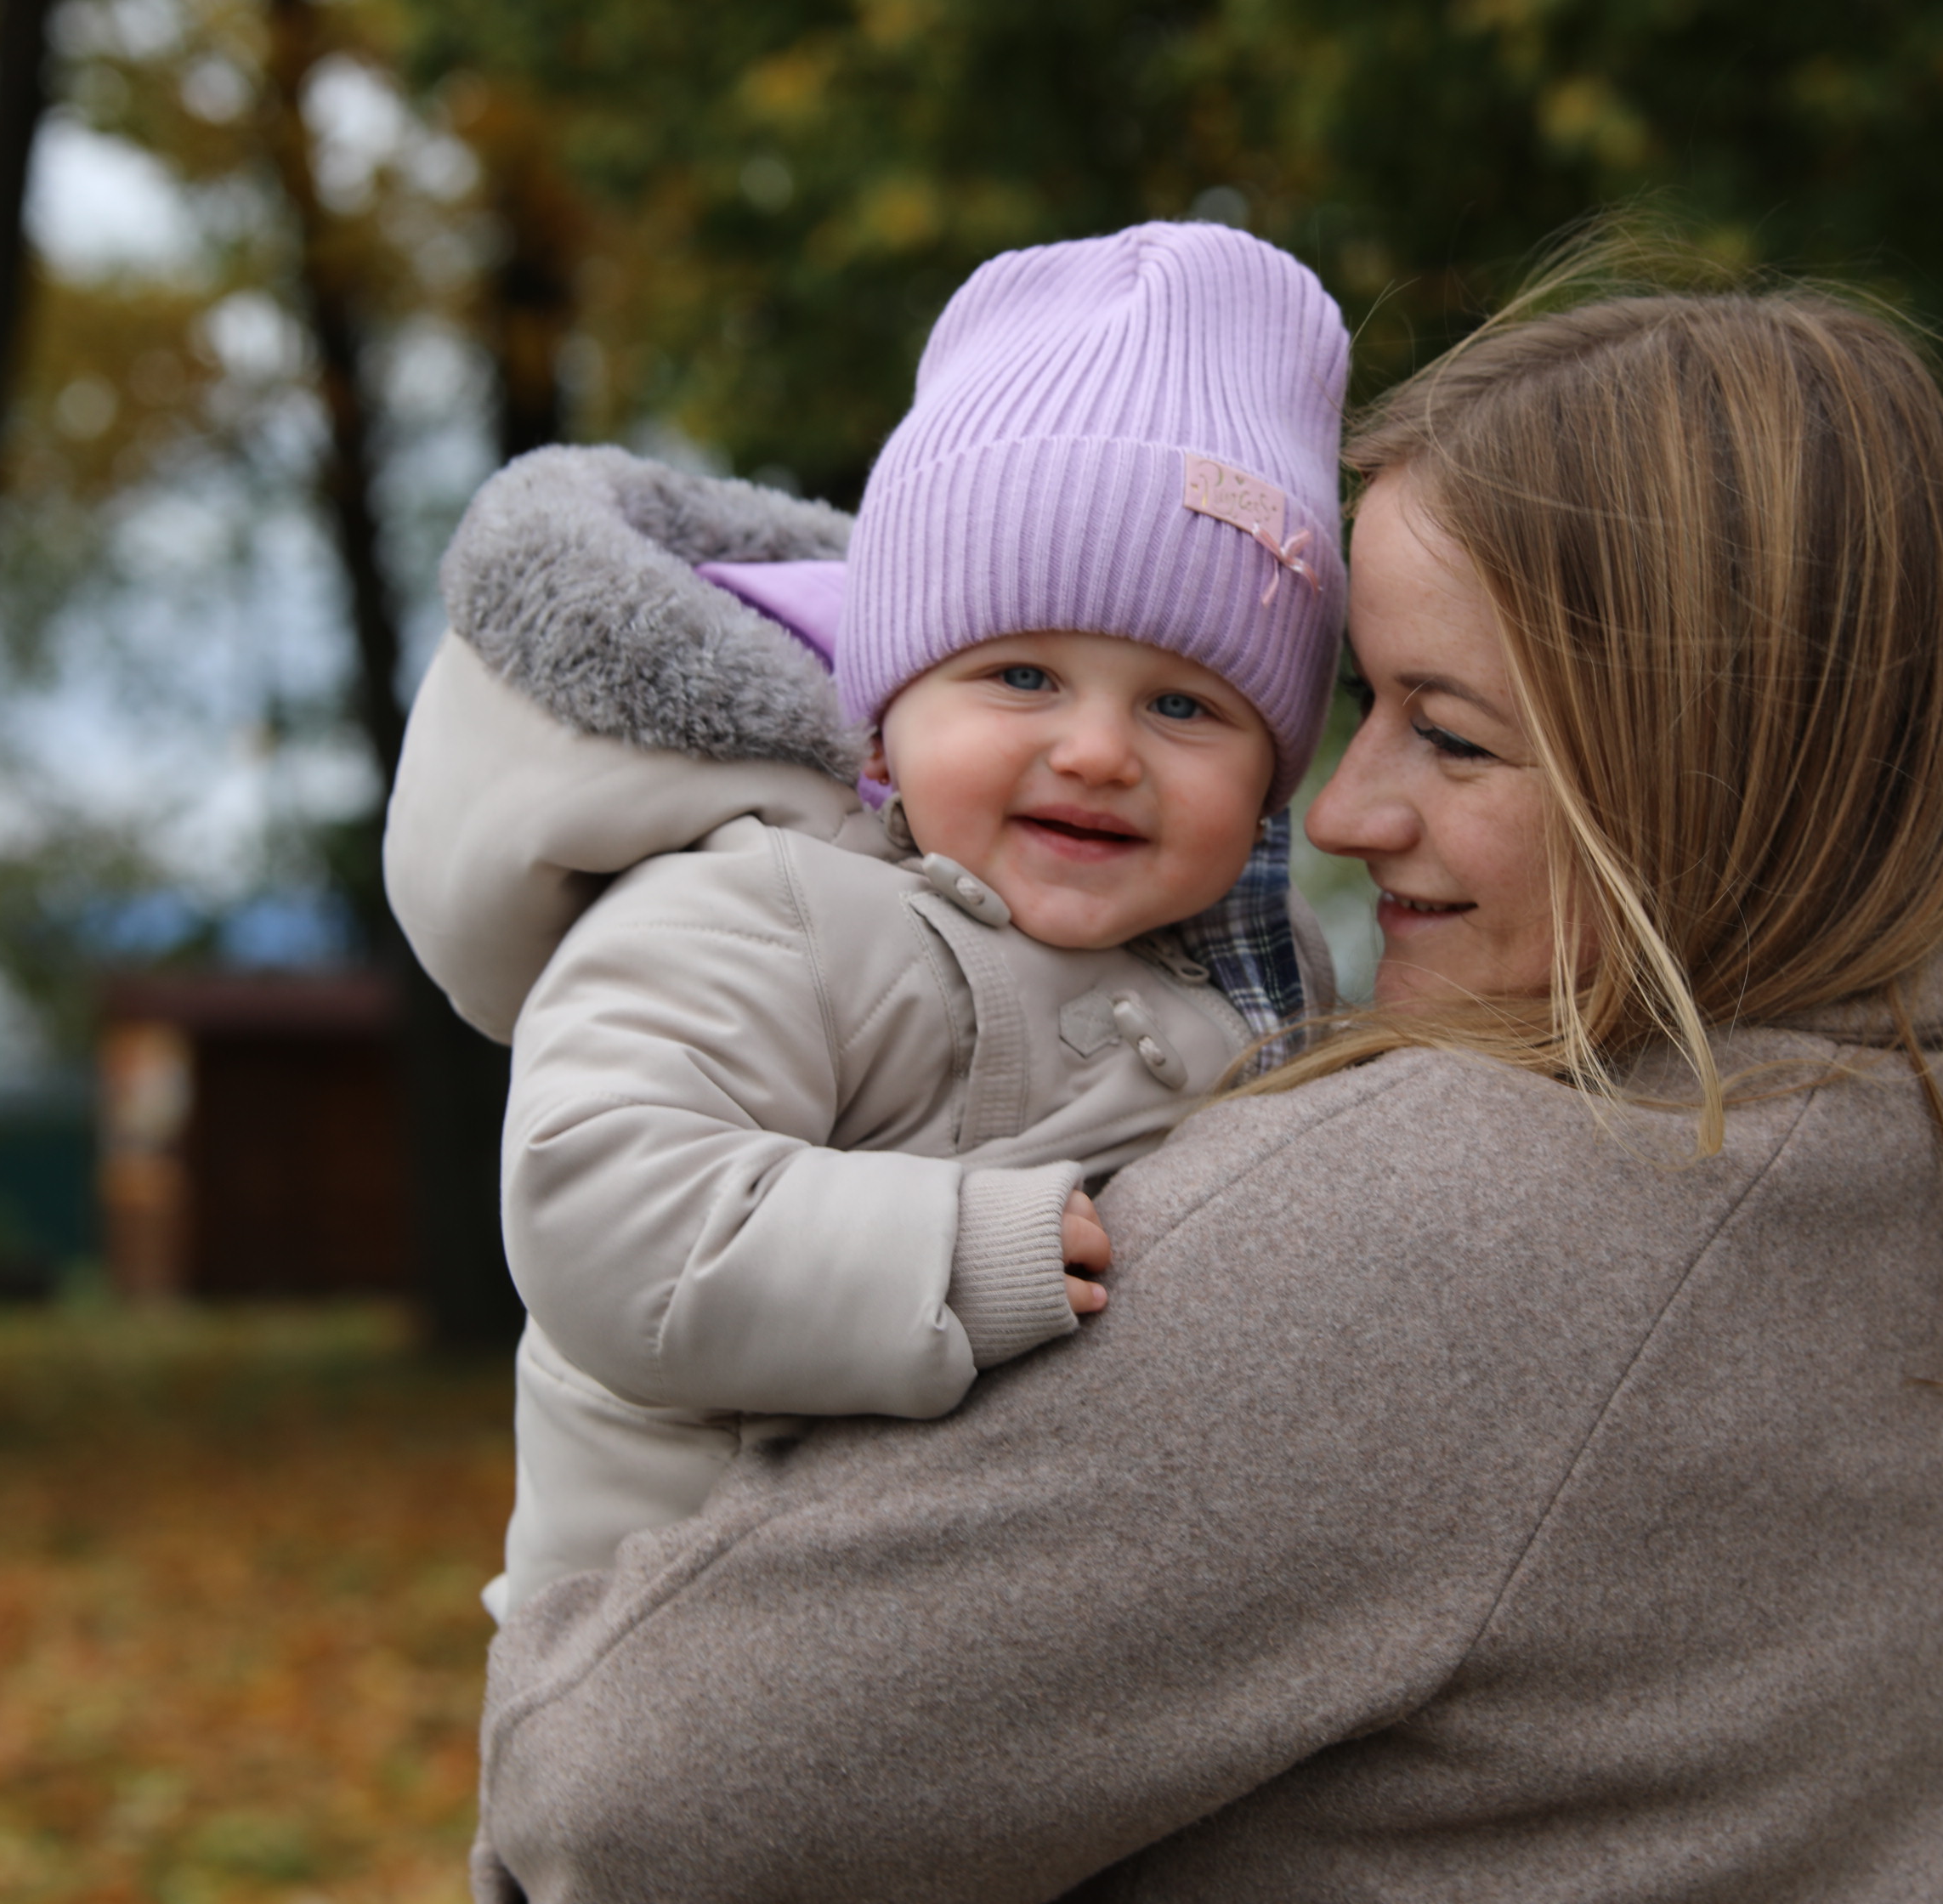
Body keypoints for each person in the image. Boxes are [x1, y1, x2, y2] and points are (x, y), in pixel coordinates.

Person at [463, 268, 1943, 1904]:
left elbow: (623, 1805)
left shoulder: (1450, 1221)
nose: (1341, 816)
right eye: (1364, 703)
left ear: (1709, 761)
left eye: (1450, 731)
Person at [382, 222, 1351, 1624]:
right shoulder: (766, 902)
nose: (1096, 751)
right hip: (687, 1642)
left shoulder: (1264, 977)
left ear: (1271, 777)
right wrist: (948, 1253)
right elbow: (600, 1202)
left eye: (1184, 706)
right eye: (1021, 675)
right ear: (887, 715)